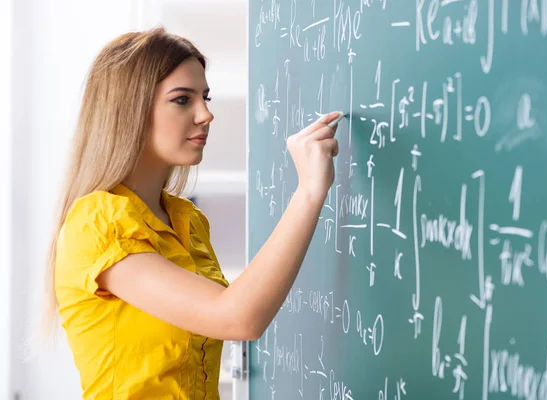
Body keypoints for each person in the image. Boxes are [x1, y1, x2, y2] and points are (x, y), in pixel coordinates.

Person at [39, 27, 340, 399]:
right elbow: (237, 317)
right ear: (129, 109)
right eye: (183, 100)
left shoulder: (187, 220)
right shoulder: (98, 223)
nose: (206, 114)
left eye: (205, 97)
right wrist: (309, 191)